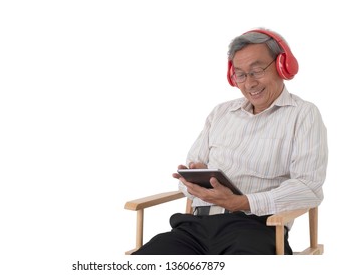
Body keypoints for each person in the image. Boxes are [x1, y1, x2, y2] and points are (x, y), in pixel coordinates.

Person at [132, 28, 328, 255]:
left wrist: (242, 202)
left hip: (256, 228)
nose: (250, 83)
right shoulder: (221, 113)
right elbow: (184, 184)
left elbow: (308, 188)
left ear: (283, 65)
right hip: (194, 228)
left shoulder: (303, 114)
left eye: (257, 70)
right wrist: (198, 178)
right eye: (241, 75)